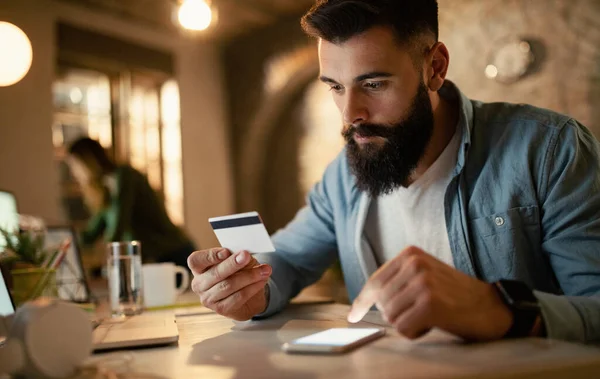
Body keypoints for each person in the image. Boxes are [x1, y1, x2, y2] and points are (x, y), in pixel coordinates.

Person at [188, 0, 600, 343]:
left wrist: (500, 308)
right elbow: (287, 261)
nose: (350, 115)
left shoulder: (549, 149)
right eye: (334, 86)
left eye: (374, 84)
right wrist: (246, 290)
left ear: (435, 67)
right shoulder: (341, 178)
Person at [66, 137, 195, 269]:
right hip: (154, 258)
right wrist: (65, 242)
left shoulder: (125, 176)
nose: (73, 171)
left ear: (87, 161)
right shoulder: (105, 189)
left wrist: (106, 260)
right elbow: (92, 232)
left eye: (74, 164)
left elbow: (119, 225)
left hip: (171, 252)